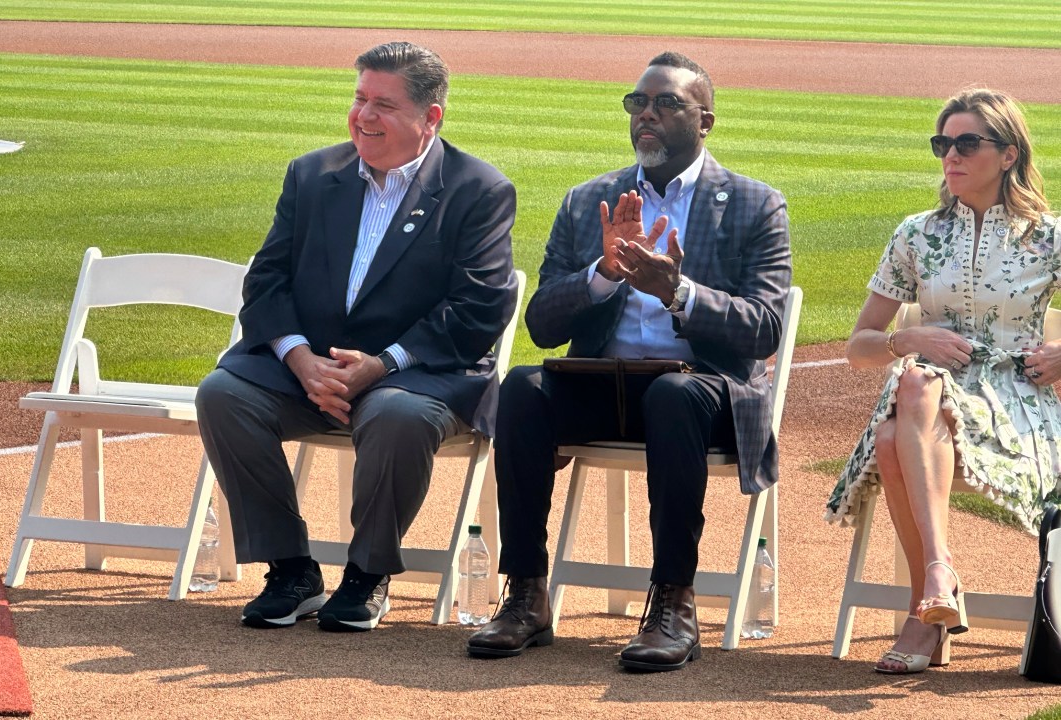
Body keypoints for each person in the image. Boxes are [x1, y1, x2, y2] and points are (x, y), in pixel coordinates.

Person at [466, 51, 792, 672]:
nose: (647, 114)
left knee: (672, 392)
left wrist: (679, 292)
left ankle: (674, 602)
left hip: (703, 394)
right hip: (602, 389)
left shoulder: (755, 205)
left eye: (667, 103)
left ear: (706, 122)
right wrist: (602, 274)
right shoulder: (588, 199)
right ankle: (527, 594)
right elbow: (540, 324)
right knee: (523, 387)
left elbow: (765, 329)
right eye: (637, 103)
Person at [195, 41, 517, 632]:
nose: (363, 117)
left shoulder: (479, 190)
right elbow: (266, 280)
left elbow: (479, 309)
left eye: (383, 105)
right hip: (310, 371)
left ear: (431, 117)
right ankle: (291, 570)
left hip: (415, 375)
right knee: (222, 394)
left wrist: (382, 363)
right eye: (360, 99)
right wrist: (299, 360)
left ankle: (367, 576)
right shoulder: (313, 174)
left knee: (398, 416)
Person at [825, 88, 1061, 674]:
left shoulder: (1050, 237)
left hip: (1018, 405)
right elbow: (859, 348)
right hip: (928, 401)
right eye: (942, 144)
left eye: (966, 143)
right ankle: (938, 574)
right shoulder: (916, 234)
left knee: (892, 435)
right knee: (918, 383)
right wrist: (909, 340)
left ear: (1008, 155)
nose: (950, 155)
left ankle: (926, 600)